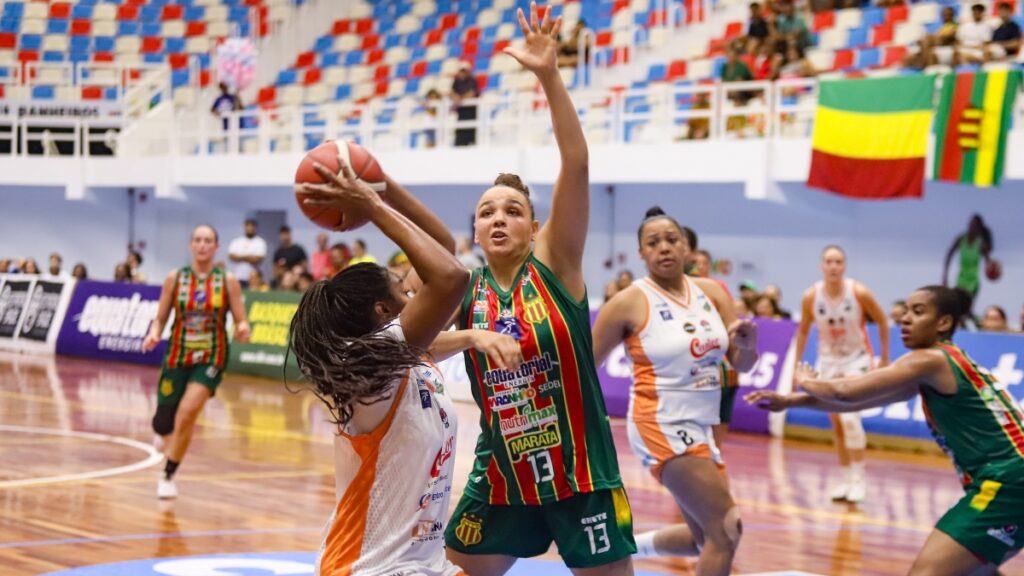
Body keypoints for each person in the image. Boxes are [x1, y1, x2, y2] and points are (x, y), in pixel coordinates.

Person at [444, 5, 637, 574]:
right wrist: (471, 337)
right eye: (487, 212)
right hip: (502, 472)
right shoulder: (462, 287)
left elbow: (576, 162)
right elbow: (411, 346)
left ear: (534, 227)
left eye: (513, 210)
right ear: (475, 231)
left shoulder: (555, 262)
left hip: (580, 471)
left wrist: (549, 76)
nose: (499, 218)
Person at [291, 146, 487, 576]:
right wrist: (372, 206)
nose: (413, 290)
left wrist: (380, 186)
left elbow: (441, 249)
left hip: (421, 564)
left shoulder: (400, 353)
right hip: (368, 568)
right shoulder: (372, 360)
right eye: (403, 287)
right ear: (383, 311)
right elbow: (451, 276)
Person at [748, 285, 1024, 576]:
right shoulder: (942, 365)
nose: (905, 318)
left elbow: (845, 391)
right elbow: (859, 401)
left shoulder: (930, 359)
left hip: (1007, 482)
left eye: (918, 312)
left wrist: (805, 380)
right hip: (1010, 480)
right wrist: (791, 401)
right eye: (905, 311)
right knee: (976, 572)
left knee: (925, 573)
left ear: (943, 323)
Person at [592, 207, 758, 575]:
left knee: (705, 537)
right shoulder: (628, 302)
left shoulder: (712, 292)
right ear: (641, 253)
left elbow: (743, 363)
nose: (664, 248)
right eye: (653, 243)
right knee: (726, 529)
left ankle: (624, 548)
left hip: (701, 422)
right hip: (660, 421)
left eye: (671, 240)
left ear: (687, 247)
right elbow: (585, 366)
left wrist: (747, 345)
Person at [142, 225, 250, 499]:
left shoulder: (227, 281)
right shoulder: (175, 278)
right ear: (191, 245)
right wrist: (154, 333)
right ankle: (164, 434)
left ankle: (168, 475)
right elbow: (161, 318)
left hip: (212, 356)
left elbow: (241, 318)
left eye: (208, 240)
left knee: (187, 414)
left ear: (216, 246)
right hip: (178, 354)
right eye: (198, 240)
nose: (202, 245)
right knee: (163, 423)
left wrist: (243, 328)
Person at [794, 245, 889, 503]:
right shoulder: (811, 296)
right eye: (829, 261)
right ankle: (846, 478)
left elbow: (882, 321)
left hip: (856, 360)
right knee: (836, 422)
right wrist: (796, 365)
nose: (833, 266)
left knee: (850, 419)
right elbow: (803, 331)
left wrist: (885, 359)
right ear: (821, 266)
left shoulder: (858, 292)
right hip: (828, 362)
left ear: (844, 266)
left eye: (838, 262)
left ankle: (859, 480)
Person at [943, 214, 993, 323]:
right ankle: (971, 324)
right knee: (957, 308)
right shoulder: (961, 239)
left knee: (966, 308)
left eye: (975, 225)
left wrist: (991, 269)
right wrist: (945, 277)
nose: (972, 227)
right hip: (961, 278)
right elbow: (949, 255)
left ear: (979, 228)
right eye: (971, 224)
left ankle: (978, 324)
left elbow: (988, 262)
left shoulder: (981, 243)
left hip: (973, 280)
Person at [228, 218, 267, 289]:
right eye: (248, 226)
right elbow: (231, 257)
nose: (250, 228)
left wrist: (240, 257)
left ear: (255, 228)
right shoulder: (237, 241)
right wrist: (249, 257)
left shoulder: (260, 242)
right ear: (244, 227)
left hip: (253, 279)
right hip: (238, 277)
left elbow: (258, 259)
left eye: (252, 226)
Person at [451, 61, 480, 147]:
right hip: (461, 113)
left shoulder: (472, 80)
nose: (462, 73)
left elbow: (472, 93)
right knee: (460, 137)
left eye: (464, 71)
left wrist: (460, 99)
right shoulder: (456, 81)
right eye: (461, 71)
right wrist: (456, 97)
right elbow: (452, 92)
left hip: (471, 113)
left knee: (471, 137)